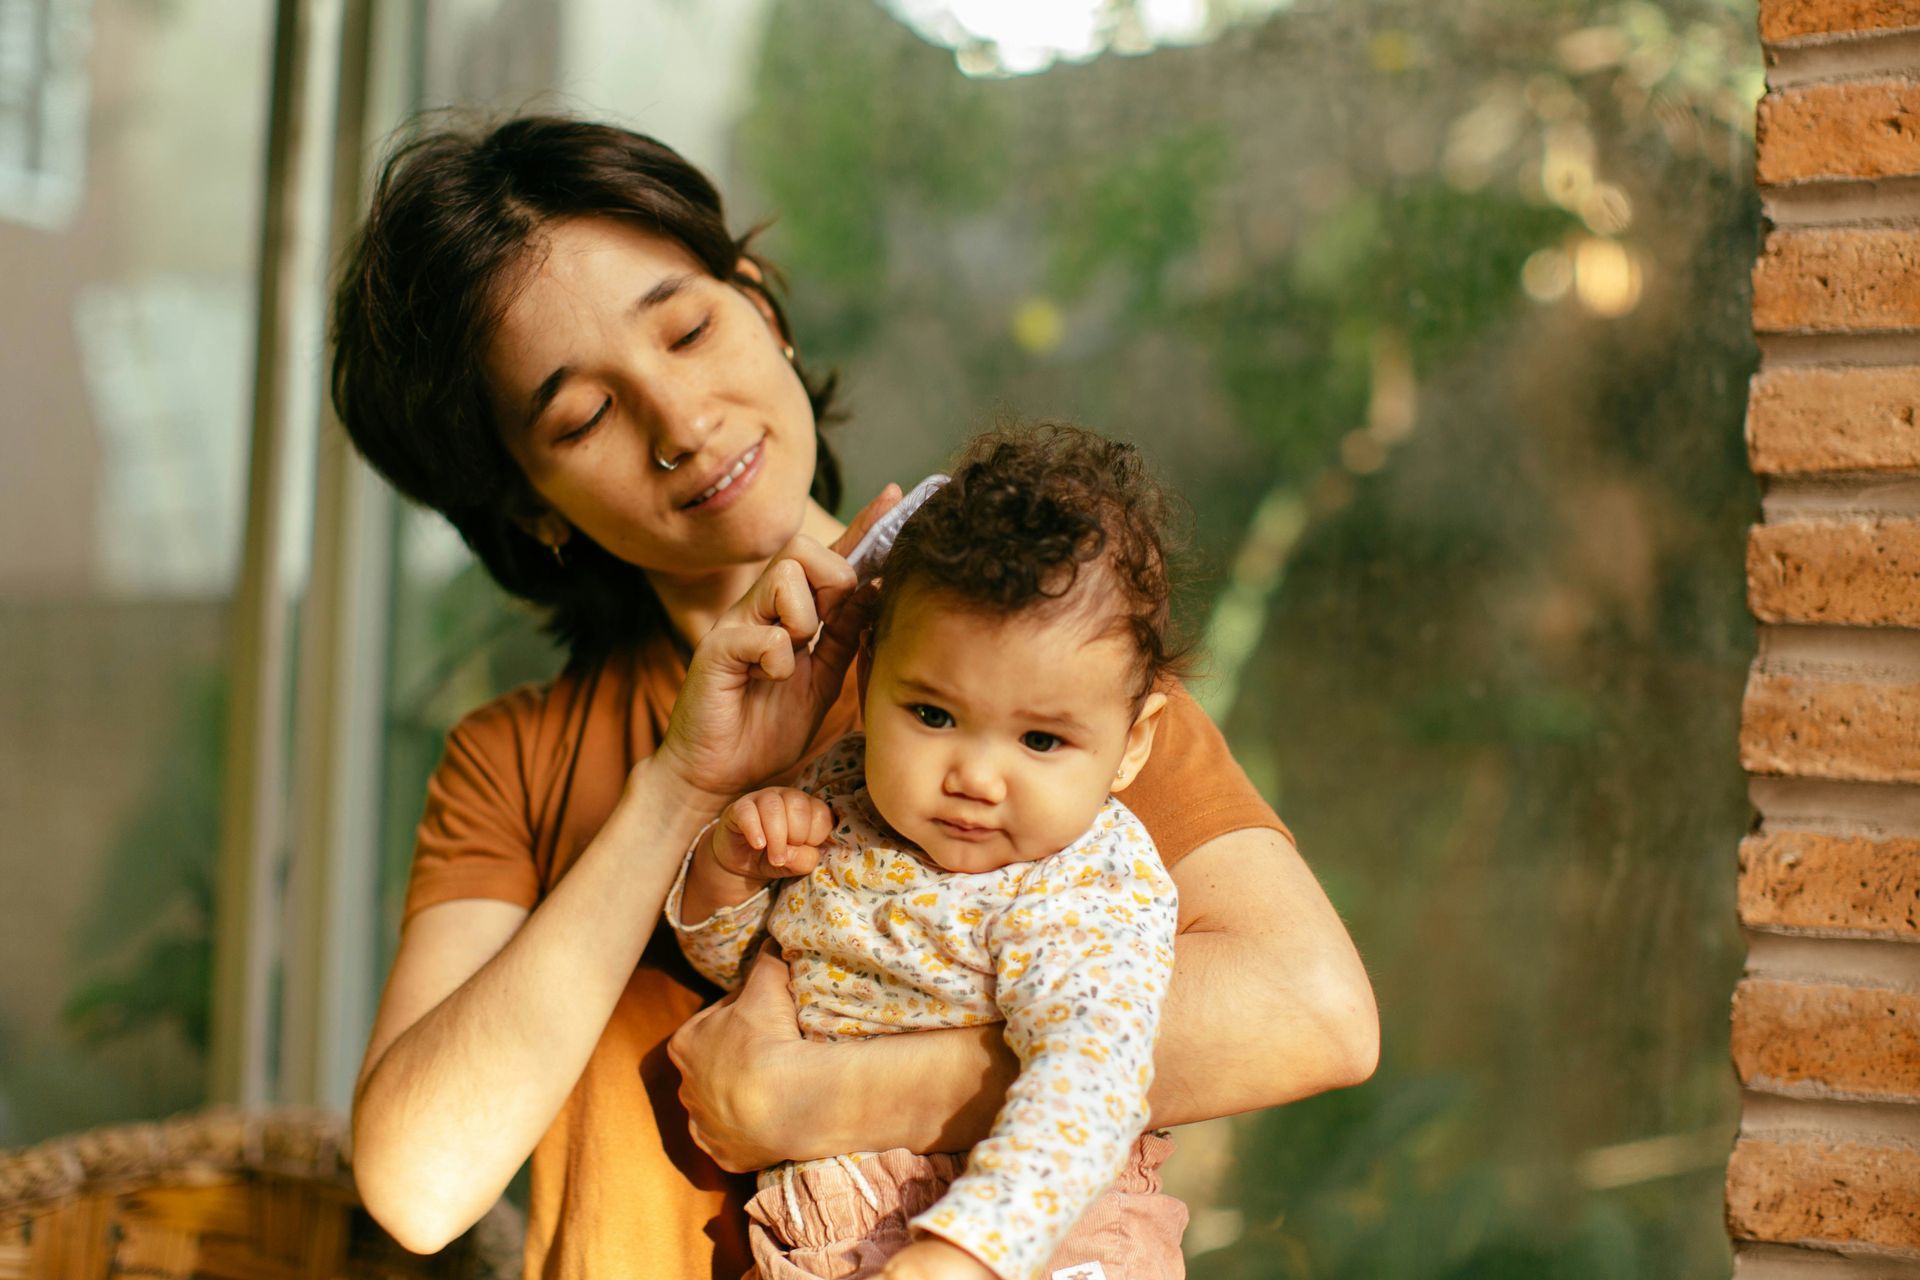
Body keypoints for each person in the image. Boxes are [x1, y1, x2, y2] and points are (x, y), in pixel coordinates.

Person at [329, 115, 1378, 1280]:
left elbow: (1314, 1010)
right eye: (584, 417)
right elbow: (417, 1183)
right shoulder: (515, 758)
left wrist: (807, 1096)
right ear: (529, 505)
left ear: (762, 303)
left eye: (687, 328)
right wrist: (682, 790)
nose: (683, 422)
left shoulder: (1042, 643)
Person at [671, 424, 1189, 1280]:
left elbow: (1092, 1076)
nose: (976, 778)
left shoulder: (1085, 881)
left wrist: (967, 1253)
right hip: (825, 1233)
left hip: (1046, 1231)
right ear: (870, 677)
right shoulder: (840, 793)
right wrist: (732, 866)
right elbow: (733, 973)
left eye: (1042, 740)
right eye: (935, 717)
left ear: (1132, 745)